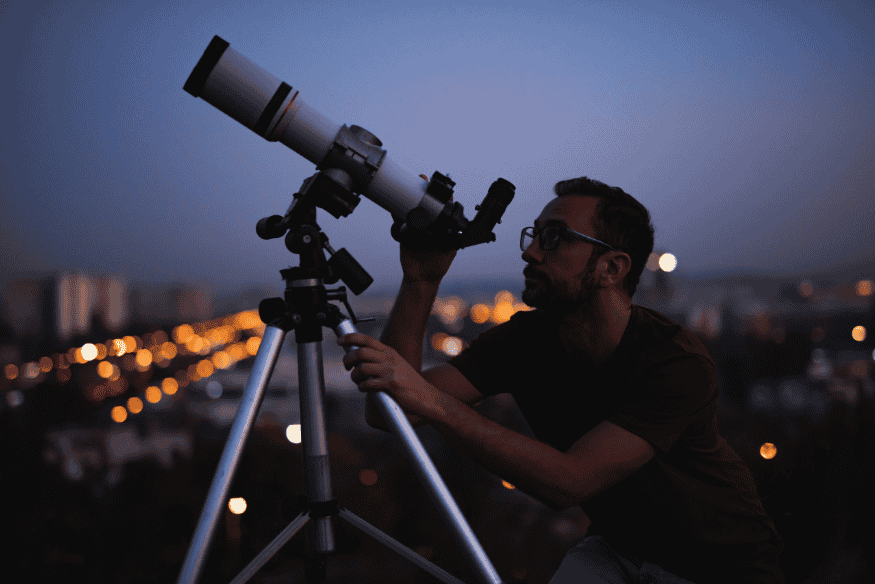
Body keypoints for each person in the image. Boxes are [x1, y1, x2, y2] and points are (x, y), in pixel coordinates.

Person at [338, 176, 784, 583]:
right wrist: (420, 280)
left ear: (612, 268)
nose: (530, 252)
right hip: (619, 549)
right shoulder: (526, 339)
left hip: (720, 567)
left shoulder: (674, 361)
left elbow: (570, 481)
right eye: (535, 236)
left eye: (554, 239)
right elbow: (386, 411)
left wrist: (431, 402)